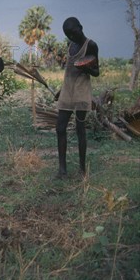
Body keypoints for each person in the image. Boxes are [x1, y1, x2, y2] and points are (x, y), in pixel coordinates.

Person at [54, 17, 99, 178]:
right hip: (67, 90)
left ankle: (82, 169)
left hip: (81, 90)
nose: (72, 37)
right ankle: (62, 170)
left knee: (80, 130)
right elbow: (69, 70)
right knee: (60, 128)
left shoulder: (91, 45)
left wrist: (87, 68)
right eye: (68, 35)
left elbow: (96, 72)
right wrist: (61, 90)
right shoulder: (70, 45)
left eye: (74, 33)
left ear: (81, 27)